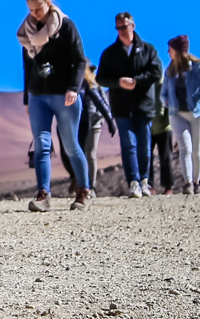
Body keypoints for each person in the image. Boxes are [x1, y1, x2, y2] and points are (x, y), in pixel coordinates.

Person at [16, 0, 92, 212]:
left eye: (38, 9)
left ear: (48, 3)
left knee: (70, 144)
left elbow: (80, 60)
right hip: (39, 94)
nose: (35, 14)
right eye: (31, 10)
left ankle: (83, 190)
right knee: (41, 144)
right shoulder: (26, 32)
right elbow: (27, 67)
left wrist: (73, 88)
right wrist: (28, 98)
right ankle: (43, 194)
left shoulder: (66, 26)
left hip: (65, 94)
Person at [97, 11, 163, 199]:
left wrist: (137, 81)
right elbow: (101, 77)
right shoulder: (110, 53)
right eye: (118, 28)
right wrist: (119, 82)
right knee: (128, 145)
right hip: (121, 107)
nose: (121, 31)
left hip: (144, 105)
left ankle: (144, 181)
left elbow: (156, 72)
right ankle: (133, 182)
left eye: (124, 27)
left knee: (145, 146)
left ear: (132, 25)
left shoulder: (149, 50)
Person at [162, 34, 200, 195]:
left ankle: (196, 182)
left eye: (170, 49)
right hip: (177, 113)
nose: (167, 52)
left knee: (196, 150)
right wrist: (166, 100)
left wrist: (196, 97)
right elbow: (163, 91)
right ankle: (187, 183)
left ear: (177, 50)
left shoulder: (198, 67)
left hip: (197, 113)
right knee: (185, 148)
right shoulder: (169, 70)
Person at [61, 65, 115, 195]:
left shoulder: (93, 83)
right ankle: (79, 181)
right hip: (79, 122)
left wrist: (109, 119)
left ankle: (90, 186)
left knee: (89, 154)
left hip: (94, 121)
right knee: (76, 152)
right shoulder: (72, 83)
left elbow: (101, 101)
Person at [149, 97, 174, 196]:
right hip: (148, 126)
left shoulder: (166, 81)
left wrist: (168, 119)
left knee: (166, 157)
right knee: (147, 157)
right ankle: (149, 185)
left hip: (165, 127)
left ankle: (168, 186)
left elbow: (171, 98)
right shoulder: (146, 81)